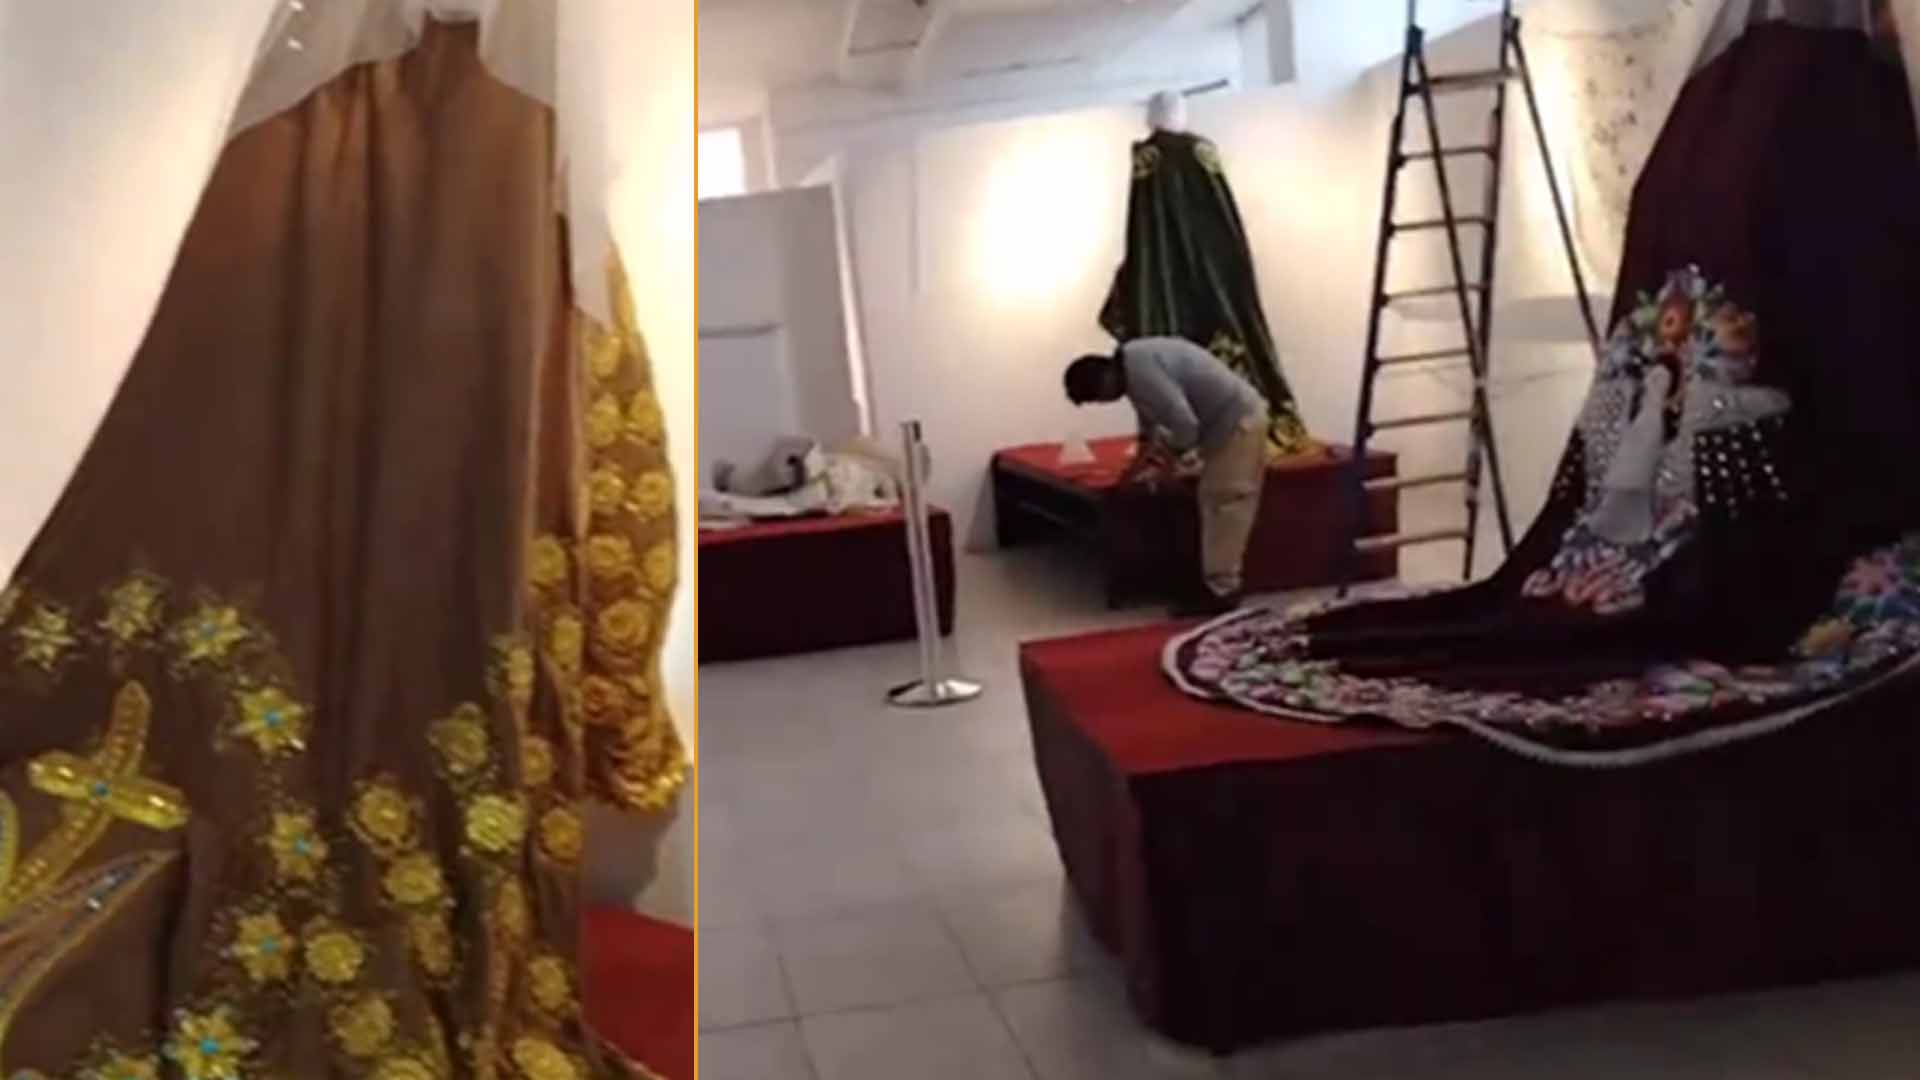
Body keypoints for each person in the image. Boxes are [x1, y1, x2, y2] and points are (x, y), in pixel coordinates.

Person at [1064, 336, 1267, 614]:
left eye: (1099, 396)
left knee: (1224, 503)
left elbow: (1185, 425)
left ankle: (1223, 592)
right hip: (1221, 427)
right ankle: (1213, 582)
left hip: (1238, 422)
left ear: (1105, 377)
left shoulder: (1140, 371)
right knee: (1212, 500)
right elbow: (1150, 431)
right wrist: (1132, 473)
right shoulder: (1133, 365)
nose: (1104, 402)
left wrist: (1169, 465)